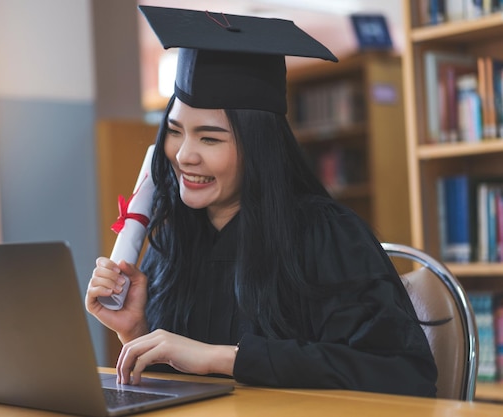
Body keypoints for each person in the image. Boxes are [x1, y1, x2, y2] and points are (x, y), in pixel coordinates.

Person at [86, 5, 438, 398]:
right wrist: (134, 330)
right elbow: (179, 387)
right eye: (174, 131)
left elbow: (403, 373)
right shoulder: (173, 243)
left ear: (259, 148)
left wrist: (224, 358)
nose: (184, 155)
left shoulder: (326, 236)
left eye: (209, 138)